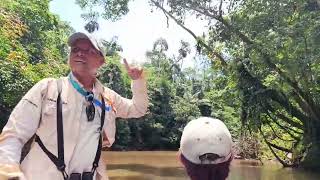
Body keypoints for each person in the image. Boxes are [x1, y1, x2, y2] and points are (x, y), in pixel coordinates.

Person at [0, 32, 148, 180]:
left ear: (101, 61)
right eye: (75, 50)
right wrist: (10, 172)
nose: (80, 54)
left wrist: (138, 80)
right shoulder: (48, 89)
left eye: (89, 51)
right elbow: (13, 135)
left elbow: (138, 109)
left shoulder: (108, 98)